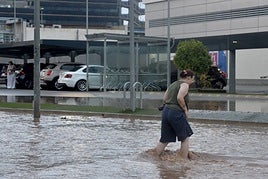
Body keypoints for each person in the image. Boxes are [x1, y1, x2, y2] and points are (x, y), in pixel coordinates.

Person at [154, 69, 196, 160]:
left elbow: (165, 98)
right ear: (188, 78)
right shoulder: (185, 85)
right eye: (192, 79)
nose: (193, 81)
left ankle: (154, 157)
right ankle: (183, 160)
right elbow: (179, 98)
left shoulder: (172, 84)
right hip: (176, 112)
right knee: (185, 137)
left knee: (165, 139)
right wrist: (185, 110)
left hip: (166, 112)